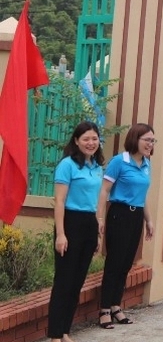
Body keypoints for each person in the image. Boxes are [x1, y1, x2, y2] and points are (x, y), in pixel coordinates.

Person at [47, 122, 105, 341]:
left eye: (94, 139)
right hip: (70, 222)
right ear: (76, 141)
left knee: (77, 281)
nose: (91, 143)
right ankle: (55, 334)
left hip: (89, 223)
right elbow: (59, 201)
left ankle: (65, 331)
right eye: (86, 139)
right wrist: (61, 234)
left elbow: (96, 201)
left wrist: (97, 232)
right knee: (64, 280)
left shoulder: (97, 167)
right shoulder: (67, 165)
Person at [97, 123, 155, 328]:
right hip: (119, 214)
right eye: (147, 140)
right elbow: (104, 190)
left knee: (126, 264)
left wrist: (149, 220)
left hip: (136, 216)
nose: (150, 144)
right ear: (135, 139)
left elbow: (142, 195)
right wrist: (100, 218)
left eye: (152, 141)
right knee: (114, 263)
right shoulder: (119, 161)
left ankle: (116, 306)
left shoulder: (146, 164)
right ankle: (104, 309)